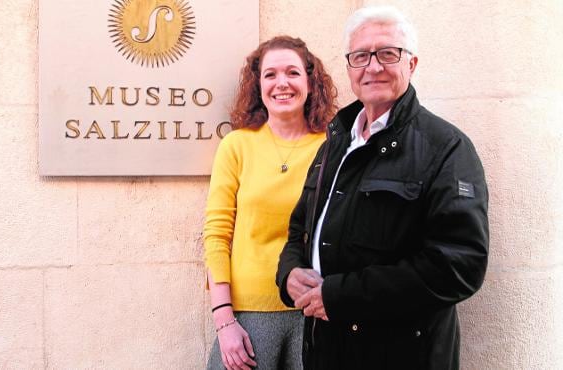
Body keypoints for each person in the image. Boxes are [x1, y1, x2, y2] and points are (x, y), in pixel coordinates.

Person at [276, 6, 489, 370]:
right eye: (360, 56)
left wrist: (342, 296)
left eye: (388, 53)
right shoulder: (335, 143)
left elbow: (459, 266)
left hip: (403, 355)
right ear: (349, 68)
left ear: (412, 64)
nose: (373, 67)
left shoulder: (446, 147)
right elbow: (300, 229)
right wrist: (289, 273)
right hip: (326, 351)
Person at [203, 35, 338, 370]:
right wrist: (224, 320)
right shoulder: (237, 146)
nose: (282, 83)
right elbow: (217, 234)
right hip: (249, 316)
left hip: (315, 310)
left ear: (310, 81)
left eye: (292, 73)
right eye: (270, 74)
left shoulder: (332, 147)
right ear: (258, 84)